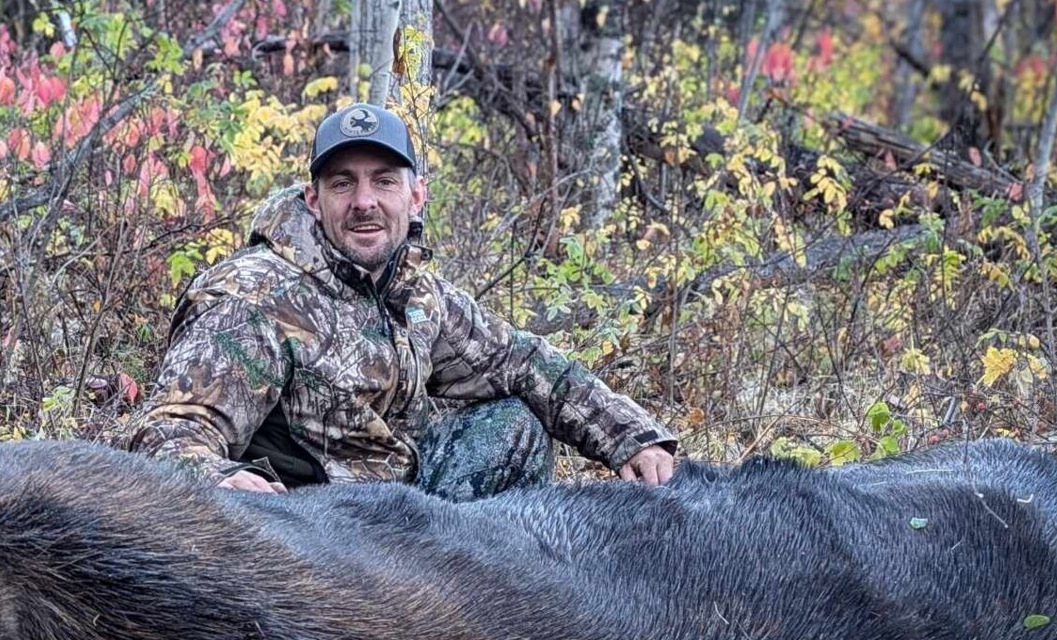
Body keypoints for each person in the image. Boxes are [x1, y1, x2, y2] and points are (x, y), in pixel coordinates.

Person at [123, 103, 677, 501]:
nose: (364, 202)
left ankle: (488, 608)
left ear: (415, 197)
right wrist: (217, 477)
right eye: (343, 184)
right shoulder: (252, 298)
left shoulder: (414, 292)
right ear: (314, 200)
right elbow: (169, 431)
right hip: (307, 540)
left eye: (383, 182)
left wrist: (632, 438)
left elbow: (521, 362)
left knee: (513, 424)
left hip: (398, 518)